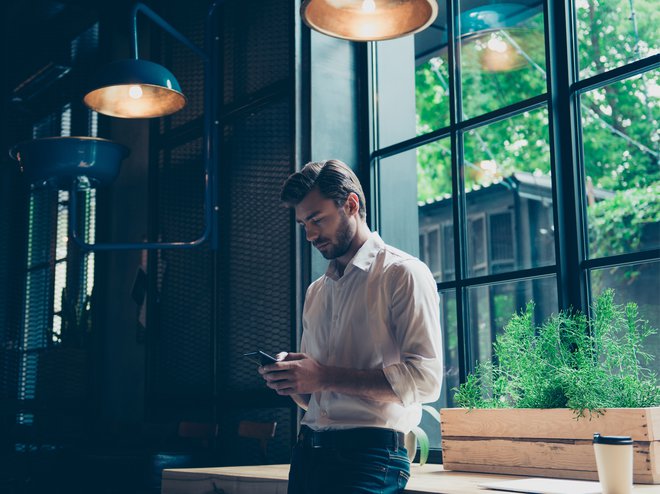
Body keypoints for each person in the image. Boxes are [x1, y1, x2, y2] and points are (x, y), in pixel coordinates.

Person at [259, 159, 442, 494]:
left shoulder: (403, 273)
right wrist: (296, 379)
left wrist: (324, 375)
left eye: (316, 219)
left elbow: (426, 381)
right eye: (303, 224)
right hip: (307, 456)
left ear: (351, 205)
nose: (310, 234)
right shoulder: (317, 291)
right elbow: (320, 394)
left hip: (370, 459)